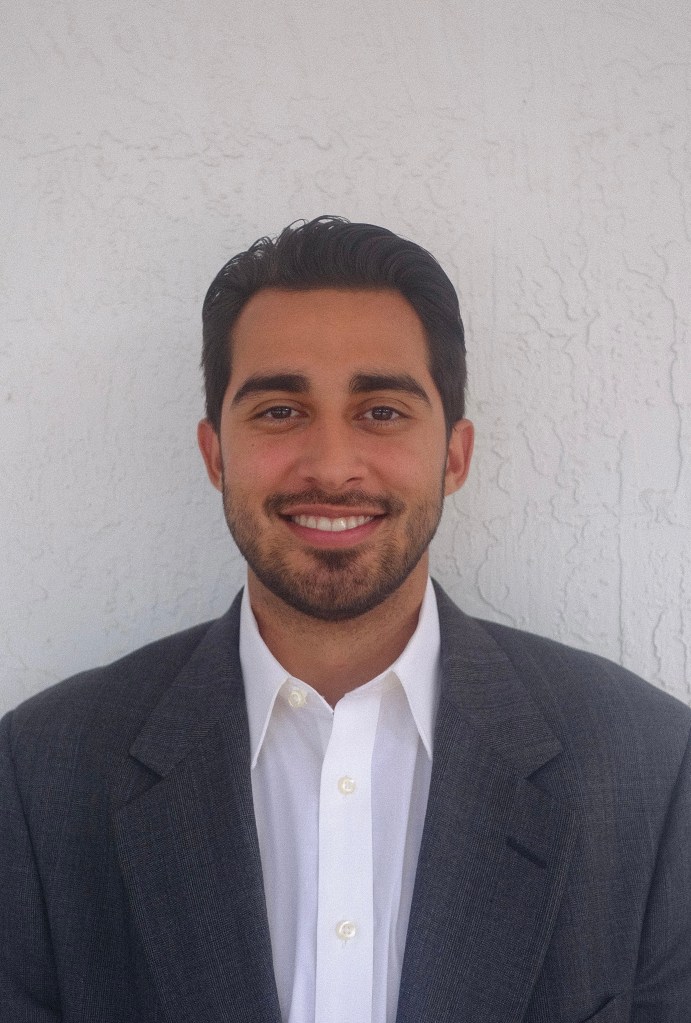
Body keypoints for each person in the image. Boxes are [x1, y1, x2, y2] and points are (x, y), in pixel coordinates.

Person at [1, 217, 689, 1023]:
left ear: (454, 454)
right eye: (279, 411)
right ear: (215, 454)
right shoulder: (40, 777)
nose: (331, 465)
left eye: (382, 411)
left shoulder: (651, 772)